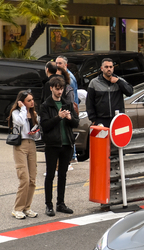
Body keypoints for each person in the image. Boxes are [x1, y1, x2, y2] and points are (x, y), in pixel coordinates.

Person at [39, 75, 79, 217]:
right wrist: (58, 117)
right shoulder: (45, 105)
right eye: (57, 89)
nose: (59, 92)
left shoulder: (67, 103)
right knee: (50, 175)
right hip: (52, 144)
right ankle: (48, 205)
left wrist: (69, 118)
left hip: (67, 144)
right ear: (51, 88)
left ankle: (60, 203)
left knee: (63, 175)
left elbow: (76, 123)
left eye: (61, 89)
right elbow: (45, 125)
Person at [8, 89, 41, 220]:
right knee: (24, 178)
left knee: (32, 179)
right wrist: (22, 109)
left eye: (32, 100)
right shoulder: (17, 113)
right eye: (29, 100)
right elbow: (20, 122)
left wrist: (36, 132)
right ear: (22, 102)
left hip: (31, 144)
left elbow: (38, 134)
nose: (32, 102)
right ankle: (17, 208)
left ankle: (27, 207)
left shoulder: (34, 114)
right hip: (20, 145)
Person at [86, 58, 134, 127]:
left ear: (113, 68)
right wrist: (93, 119)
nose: (109, 69)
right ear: (102, 68)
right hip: (101, 120)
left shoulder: (119, 80)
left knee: (117, 138)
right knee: (102, 138)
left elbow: (130, 92)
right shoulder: (94, 82)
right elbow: (89, 102)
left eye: (110, 67)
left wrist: (118, 82)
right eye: (106, 67)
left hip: (117, 119)